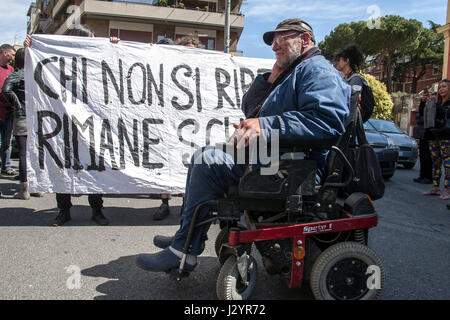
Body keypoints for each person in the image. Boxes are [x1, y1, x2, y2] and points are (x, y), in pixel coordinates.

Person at [135, 18, 351, 273]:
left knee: (207, 162)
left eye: (282, 39)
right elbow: (250, 109)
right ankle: (186, 236)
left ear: (304, 40)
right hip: (274, 161)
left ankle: (184, 249)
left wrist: (266, 126)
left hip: (292, 170)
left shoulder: (318, 71)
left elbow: (328, 121)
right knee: (203, 156)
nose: (275, 46)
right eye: (273, 41)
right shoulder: (292, 72)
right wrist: (269, 80)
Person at [24, 25, 109, 226]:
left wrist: (112, 44)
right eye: (90, 38)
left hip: (89, 122)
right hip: (62, 121)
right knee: (61, 165)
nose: (94, 40)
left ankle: (97, 210)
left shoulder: (95, 58)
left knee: (94, 167)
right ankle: (64, 210)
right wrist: (31, 46)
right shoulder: (57, 55)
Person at [1, 48, 44, 199]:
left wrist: (16, 104)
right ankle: (37, 187)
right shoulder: (37, 75)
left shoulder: (16, 75)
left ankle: (24, 189)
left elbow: (5, 90)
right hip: (38, 118)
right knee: (36, 153)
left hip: (22, 117)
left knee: (24, 154)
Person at [422, 79, 450, 199]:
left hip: (446, 136)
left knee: (447, 164)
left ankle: (447, 190)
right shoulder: (434, 102)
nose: (441, 89)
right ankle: (435, 187)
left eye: (444, 87)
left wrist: (436, 105)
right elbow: (425, 116)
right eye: (439, 87)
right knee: (435, 163)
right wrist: (424, 103)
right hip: (433, 136)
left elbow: (444, 115)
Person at [333, 44, 374, 122]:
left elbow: (352, 108)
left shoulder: (355, 80)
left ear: (347, 61)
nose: (335, 63)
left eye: (338, 60)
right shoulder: (345, 80)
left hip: (349, 127)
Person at [0, 44, 17, 177]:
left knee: (7, 141)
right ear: (5, 53)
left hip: (8, 112)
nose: (13, 58)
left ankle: (6, 166)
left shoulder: (11, 69)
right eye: (12, 54)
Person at [413, 89, 433, 184]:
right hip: (422, 134)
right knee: (422, 156)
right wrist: (422, 102)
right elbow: (419, 116)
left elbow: (424, 119)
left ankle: (428, 177)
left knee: (427, 156)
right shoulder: (424, 106)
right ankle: (422, 176)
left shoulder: (432, 104)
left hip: (428, 135)